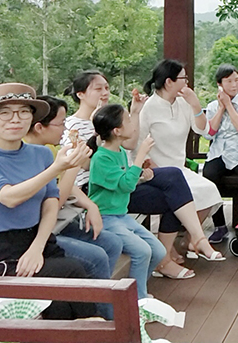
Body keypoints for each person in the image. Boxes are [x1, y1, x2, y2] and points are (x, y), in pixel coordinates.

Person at [62, 69, 216, 279]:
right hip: (97, 189)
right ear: (80, 94)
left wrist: (135, 112)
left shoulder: (110, 114)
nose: (104, 92)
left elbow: (129, 144)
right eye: (98, 89)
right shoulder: (73, 126)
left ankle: (171, 252)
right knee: (173, 190)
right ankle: (169, 257)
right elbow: (85, 165)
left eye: (106, 87)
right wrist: (97, 130)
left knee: (174, 184)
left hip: (123, 179)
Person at [0, 83, 95, 320]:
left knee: (62, 301)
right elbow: (9, 197)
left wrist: (37, 246)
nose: (15, 119)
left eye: (24, 111)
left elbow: (50, 201)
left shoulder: (41, 154)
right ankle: (95, 327)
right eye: (4, 112)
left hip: (37, 238)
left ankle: (92, 327)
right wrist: (57, 167)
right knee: (71, 271)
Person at [24, 96, 122, 319]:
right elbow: (55, 201)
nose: (65, 129)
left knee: (112, 242)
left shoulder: (47, 150)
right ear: (39, 127)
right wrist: (72, 166)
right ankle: (105, 318)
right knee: (96, 257)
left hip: (58, 224)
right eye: (61, 123)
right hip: (42, 230)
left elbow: (62, 187)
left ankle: (100, 307)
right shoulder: (34, 155)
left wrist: (90, 205)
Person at [88, 104, 167, 300]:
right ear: (117, 131)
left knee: (158, 251)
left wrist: (140, 173)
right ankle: (137, 299)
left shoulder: (120, 152)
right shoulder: (101, 158)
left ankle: (135, 292)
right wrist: (140, 156)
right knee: (142, 251)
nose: (132, 124)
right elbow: (125, 185)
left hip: (121, 215)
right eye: (128, 120)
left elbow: (125, 179)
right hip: (105, 217)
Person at [139, 59, 223, 230]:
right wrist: (153, 169)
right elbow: (137, 144)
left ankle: (191, 239)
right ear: (169, 82)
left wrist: (195, 104)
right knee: (183, 195)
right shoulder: (148, 107)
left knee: (209, 191)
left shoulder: (183, 103)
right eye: (183, 78)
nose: (187, 82)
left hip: (179, 169)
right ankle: (187, 240)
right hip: (156, 171)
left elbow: (203, 129)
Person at [202, 64, 238, 244]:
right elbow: (209, 133)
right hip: (220, 151)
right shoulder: (213, 106)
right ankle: (219, 226)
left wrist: (228, 105)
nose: (234, 84)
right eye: (229, 81)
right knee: (209, 176)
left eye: (237, 80)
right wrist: (221, 108)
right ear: (220, 84)